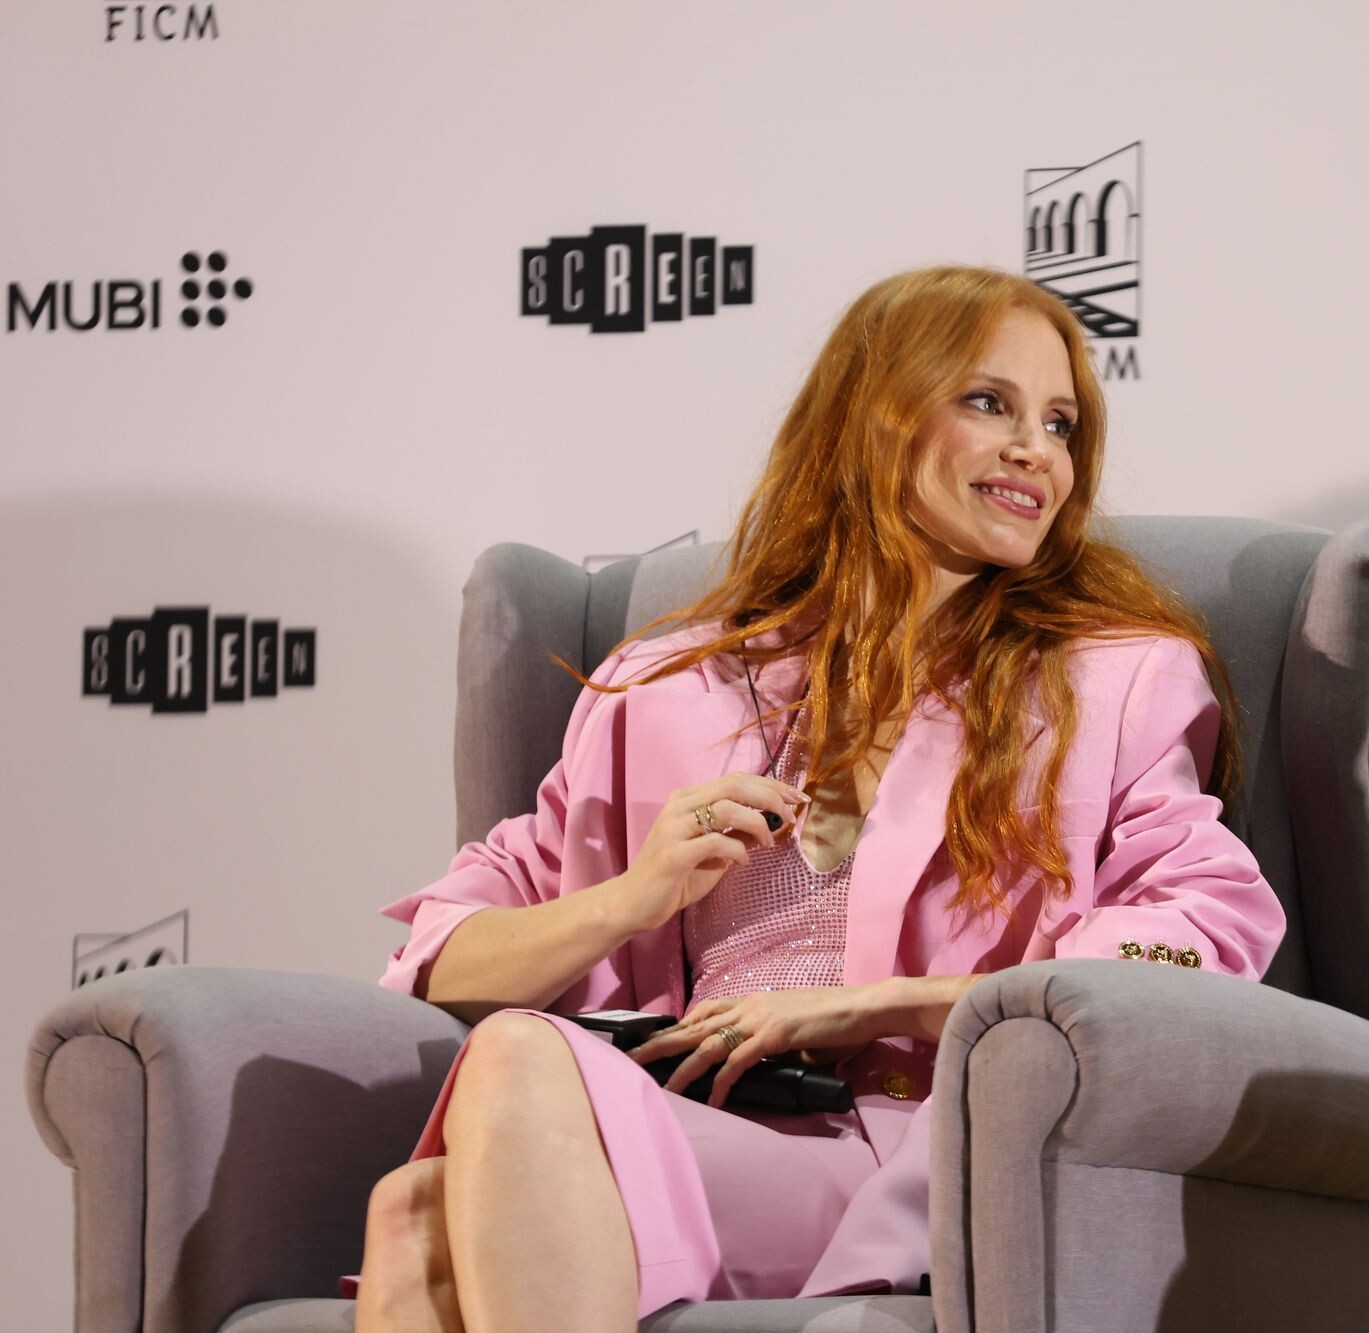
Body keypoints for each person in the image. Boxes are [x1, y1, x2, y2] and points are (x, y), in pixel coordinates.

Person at [343, 264, 1288, 1331]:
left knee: (488, 1103)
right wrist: (631, 897)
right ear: (874, 417)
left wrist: (879, 1005)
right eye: (990, 402)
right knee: (411, 1208)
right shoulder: (664, 687)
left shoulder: (1111, 680)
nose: (1038, 450)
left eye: (1061, 423)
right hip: (697, 1125)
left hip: (913, 1139)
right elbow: (440, 959)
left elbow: (1203, 930)